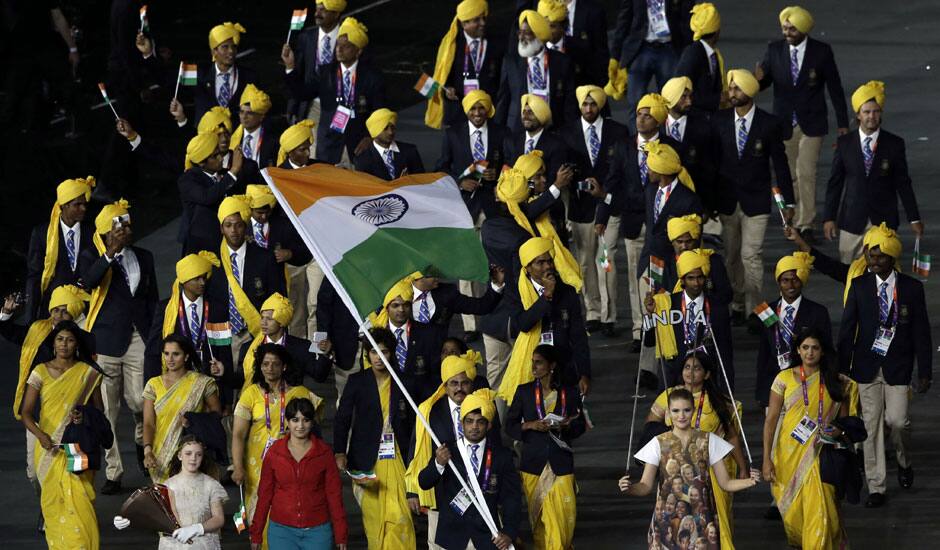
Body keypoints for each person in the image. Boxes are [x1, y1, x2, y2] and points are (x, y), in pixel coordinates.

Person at [837, 226, 931, 507]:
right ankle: (876, 486)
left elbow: (922, 333)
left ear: (891, 258)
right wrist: (843, 367)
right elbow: (847, 328)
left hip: (898, 367)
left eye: (880, 257)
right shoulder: (859, 286)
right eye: (870, 256)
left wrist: (924, 371)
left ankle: (904, 460)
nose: (874, 261)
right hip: (866, 367)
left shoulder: (911, 288)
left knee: (897, 422)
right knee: (871, 426)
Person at [80, 199, 159, 493]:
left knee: (141, 401)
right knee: (109, 412)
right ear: (106, 231)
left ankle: (142, 442)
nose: (126, 229)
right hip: (106, 343)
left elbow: (152, 299)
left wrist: (155, 335)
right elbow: (88, 282)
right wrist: (110, 252)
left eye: (127, 224)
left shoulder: (144, 255)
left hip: (139, 336)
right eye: (120, 225)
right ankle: (114, 471)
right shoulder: (91, 255)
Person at [756, 6, 850, 242]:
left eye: (792, 28)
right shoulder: (774, 50)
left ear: (803, 29)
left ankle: (806, 223)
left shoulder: (821, 52)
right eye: (785, 27)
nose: (787, 31)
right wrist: (755, 80)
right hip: (784, 122)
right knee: (788, 175)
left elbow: (835, 89)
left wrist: (842, 124)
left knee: (806, 171)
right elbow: (763, 81)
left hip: (812, 122)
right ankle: (793, 218)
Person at [622, 388, 758, 549]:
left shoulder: (709, 440)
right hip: (666, 523)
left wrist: (749, 482)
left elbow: (725, 483)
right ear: (668, 414)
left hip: (702, 522)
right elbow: (645, 486)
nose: (681, 415)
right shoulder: (658, 443)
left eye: (686, 410)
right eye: (675, 410)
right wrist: (630, 488)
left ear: (693, 411)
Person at [762, 330, 861, 547]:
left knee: (822, 514)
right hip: (788, 455)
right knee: (795, 517)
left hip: (823, 455)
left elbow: (846, 423)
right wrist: (766, 459)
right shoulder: (784, 379)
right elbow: (770, 421)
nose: (810, 352)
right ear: (798, 350)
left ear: (822, 351)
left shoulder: (837, 383)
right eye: (805, 347)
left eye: (815, 348)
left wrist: (839, 431)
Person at [711, 69, 794, 324]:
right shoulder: (719, 121)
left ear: (749, 91)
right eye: (731, 88)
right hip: (726, 202)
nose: (731, 93)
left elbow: (780, 165)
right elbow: (711, 166)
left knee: (751, 256)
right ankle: (737, 301)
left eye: (736, 88)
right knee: (732, 256)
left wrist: (787, 202)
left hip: (756, 202)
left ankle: (756, 311)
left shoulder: (768, 124)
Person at [599, 93, 677, 353]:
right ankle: (640, 329)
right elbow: (612, 181)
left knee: (662, 277)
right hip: (633, 222)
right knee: (637, 277)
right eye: (639, 115)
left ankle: (660, 325)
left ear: (658, 120)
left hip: (663, 225)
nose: (641, 120)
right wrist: (602, 216)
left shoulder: (670, 146)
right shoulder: (623, 146)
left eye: (647, 115)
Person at [20, 321, 106, 550]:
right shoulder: (40, 371)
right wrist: (40, 436)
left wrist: (84, 417)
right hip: (48, 447)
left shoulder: (87, 372)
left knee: (80, 500)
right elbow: (26, 412)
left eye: (69, 339)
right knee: (54, 503)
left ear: (76, 343)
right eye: (60, 339)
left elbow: (100, 412)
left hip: (76, 446)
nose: (64, 344)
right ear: (53, 343)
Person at [646, 351, 748, 543]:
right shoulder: (669, 395)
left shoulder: (718, 401)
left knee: (715, 524)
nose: (690, 372)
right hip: (678, 471)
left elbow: (732, 436)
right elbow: (651, 425)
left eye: (697, 368)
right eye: (686, 367)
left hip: (711, 471)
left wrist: (742, 467)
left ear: (707, 374)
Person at [333, 328, 417, 549]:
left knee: (400, 518)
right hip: (366, 458)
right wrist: (339, 451)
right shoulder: (357, 381)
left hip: (398, 456)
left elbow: (414, 423)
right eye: (374, 352)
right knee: (374, 521)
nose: (379, 358)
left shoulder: (404, 382)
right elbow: (342, 418)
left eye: (384, 352)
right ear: (367, 354)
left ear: (392, 353)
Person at [405, 350, 498, 548]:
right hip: (442, 497)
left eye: (464, 383)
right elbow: (417, 451)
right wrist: (412, 491)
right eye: (453, 384)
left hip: (479, 496)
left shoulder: (484, 408)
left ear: (471, 384)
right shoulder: (428, 411)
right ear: (445, 386)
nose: (459, 389)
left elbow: (495, 446)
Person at [822, 80, 923, 263]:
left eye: (876, 111)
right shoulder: (845, 144)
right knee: (850, 275)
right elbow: (835, 183)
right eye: (866, 112)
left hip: (884, 222)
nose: (871, 116)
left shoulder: (894, 144)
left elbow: (903, 183)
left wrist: (914, 218)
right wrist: (829, 217)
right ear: (858, 115)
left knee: (885, 275)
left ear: (881, 113)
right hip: (851, 221)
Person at [232, 343, 323, 534]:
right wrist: (238, 467)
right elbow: (238, 434)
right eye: (265, 364)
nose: (270, 369)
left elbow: (314, 430)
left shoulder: (300, 394)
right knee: (260, 513)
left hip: (292, 463)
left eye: (275, 364)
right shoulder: (250, 394)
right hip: (257, 465)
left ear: (284, 366)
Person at [561, 85, 628, 338]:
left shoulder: (618, 132)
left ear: (600, 105)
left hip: (608, 206)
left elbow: (621, 170)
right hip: (580, 208)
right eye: (584, 104)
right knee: (586, 263)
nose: (588, 109)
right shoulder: (567, 133)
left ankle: (609, 315)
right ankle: (592, 311)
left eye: (593, 104)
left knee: (606, 259)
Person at [419, 389, 521, 550]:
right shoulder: (447, 451)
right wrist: (438, 463)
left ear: (489, 425)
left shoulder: (502, 456)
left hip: (487, 537)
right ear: (462, 423)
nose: (474, 427)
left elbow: (512, 498)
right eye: (469, 421)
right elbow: (423, 482)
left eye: (480, 422)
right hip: (452, 537)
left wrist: (508, 532)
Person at [506, 344, 586, 550]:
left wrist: (567, 425)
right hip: (533, 464)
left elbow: (580, 426)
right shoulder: (524, 392)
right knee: (540, 524)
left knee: (562, 522)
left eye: (539, 362)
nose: (534, 366)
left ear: (552, 365)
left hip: (561, 464)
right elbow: (510, 425)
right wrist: (531, 425)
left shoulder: (569, 393)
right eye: (532, 362)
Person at [500, 229, 589, 405]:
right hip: (530, 368)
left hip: (562, 367)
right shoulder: (515, 291)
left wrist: (584, 373)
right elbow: (522, 324)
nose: (547, 266)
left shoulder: (567, 292)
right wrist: (546, 297)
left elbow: (578, 337)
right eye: (540, 263)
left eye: (549, 261)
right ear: (527, 268)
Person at [284, 16, 386, 165]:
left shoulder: (372, 77)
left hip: (358, 146)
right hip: (329, 145)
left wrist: (370, 137)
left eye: (346, 46)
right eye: (338, 44)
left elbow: (379, 112)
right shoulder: (326, 73)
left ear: (358, 51)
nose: (339, 49)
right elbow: (302, 93)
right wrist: (290, 67)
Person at [251, 398, 348, 550]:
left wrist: (341, 533)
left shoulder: (324, 453)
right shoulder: (274, 453)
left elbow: (334, 496)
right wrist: (256, 533)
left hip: (318, 531)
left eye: (306, 420)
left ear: (312, 422)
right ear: (288, 422)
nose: (300, 426)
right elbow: (264, 495)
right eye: (295, 420)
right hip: (282, 532)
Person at [144, 252, 231, 407]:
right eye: (197, 278)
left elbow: (224, 349)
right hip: (175, 383)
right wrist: (151, 391)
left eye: (204, 277)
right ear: (184, 281)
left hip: (208, 383)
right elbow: (153, 350)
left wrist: (226, 397)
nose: (202, 282)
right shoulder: (166, 309)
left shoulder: (217, 309)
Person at [209, 195, 287, 368]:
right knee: (225, 383)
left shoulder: (265, 258)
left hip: (256, 333)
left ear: (246, 226)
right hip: (222, 333)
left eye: (238, 224)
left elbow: (279, 299)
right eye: (228, 225)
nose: (234, 231)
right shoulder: (212, 261)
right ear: (221, 229)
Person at [115, 436, 228, 549]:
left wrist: (197, 529)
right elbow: (153, 515)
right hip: (172, 545)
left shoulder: (211, 485)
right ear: (179, 456)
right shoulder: (168, 486)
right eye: (188, 453)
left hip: (203, 545)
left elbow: (219, 519)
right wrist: (129, 519)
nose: (193, 458)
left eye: (198, 454)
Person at [645, 249, 733, 389]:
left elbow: (725, 355)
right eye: (691, 278)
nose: (696, 283)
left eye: (700, 277)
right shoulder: (666, 304)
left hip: (707, 381)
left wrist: (727, 393)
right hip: (673, 381)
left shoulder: (718, 307)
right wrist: (650, 315)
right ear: (682, 280)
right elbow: (649, 341)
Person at [142, 335, 222, 483]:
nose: (170, 359)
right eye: (166, 353)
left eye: (176, 354)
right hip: (160, 456)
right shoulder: (153, 385)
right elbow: (148, 423)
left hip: (192, 455)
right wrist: (147, 451)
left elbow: (217, 415)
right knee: (166, 503)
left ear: (186, 357)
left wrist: (193, 419)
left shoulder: (202, 383)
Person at [755, 253, 831, 407]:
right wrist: (761, 391)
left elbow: (827, 350)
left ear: (802, 281)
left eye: (795, 280)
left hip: (807, 384)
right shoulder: (766, 310)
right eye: (785, 281)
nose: (790, 285)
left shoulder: (818, 312)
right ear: (778, 282)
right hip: (774, 384)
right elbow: (763, 354)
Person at [244, 184, 314, 338]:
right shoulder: (241, 227)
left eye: (266, 212)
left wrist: (290, 253)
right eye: (259, 213)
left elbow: (306, 251)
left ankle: (296, 348)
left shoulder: (282, 225)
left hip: (281, 286)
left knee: (298, 316)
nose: (263, 216)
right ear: (250, 209)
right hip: (252, 289)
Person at [25, 176, 96, 322]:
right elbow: (35, 278)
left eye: (84, 204)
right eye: (77, 205)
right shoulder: (41, 234)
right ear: (64, 206)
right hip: (56, 311)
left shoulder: (92, 230)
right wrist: (30, 319)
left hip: (90, 307)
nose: (83, 208)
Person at [611, 0, 694, 121]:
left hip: (669, 48)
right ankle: (638, 139)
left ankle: (668, 138)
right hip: (640, 48)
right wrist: (615, 56)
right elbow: (624, 19)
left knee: (671, 101)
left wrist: (688, 52)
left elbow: (687, 18)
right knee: (636, 104)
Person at [425, 0, 503, 128]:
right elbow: (440, 78)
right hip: (458, 117)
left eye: (483, 18)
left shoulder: (497, 43)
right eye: (476, 20)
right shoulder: (451, 46)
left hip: (488, 115)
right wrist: (447, 92)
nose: (482, 23)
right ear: (464, 23)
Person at [496, 9, 577, 131]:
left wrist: (572, 134)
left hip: (553, 131)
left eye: (527, 33)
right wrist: (498, 133)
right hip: (519, 131)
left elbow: (569, 104)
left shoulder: (562, 62)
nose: (521, 37)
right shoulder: (511, 62)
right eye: (520, 32)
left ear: (539, 35)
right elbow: (503, 100)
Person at [368, 273, 444, 399]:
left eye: (406, 305)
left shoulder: (429, 333)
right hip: (386, 401)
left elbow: (435, 374)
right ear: (387, 308)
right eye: (395, 305)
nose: (401, 310)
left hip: (419, 403)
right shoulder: (375, 337)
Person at [637, 141, 703, 281]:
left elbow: (692, 242)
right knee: (651, 301)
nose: (647, 171)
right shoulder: (650, 191)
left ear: (661, 171)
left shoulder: (689, 200)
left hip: (673, 269)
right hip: (650, 263)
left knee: (668, 302)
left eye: (650, 167)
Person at [238, 293, 321, 391]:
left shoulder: (301, 347)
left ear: (282, 321)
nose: (263, 323)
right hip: (257, 404)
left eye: (269, 319)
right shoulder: (248, 348)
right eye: (262, 318)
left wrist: (326, 353)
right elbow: (240, 381)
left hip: (290, 403)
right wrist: (223, 373)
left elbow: (319, 376)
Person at [281, 0, 347, 124]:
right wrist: (292, 107)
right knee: (313, 143)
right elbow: (299, 74)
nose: (317, 14)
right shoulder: (306, 38)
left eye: (323, 10)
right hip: (312, 106)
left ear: (336, 13)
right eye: (317, 9)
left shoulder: (348, 40)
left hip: (341, 108)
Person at [178, 130, 242, 256]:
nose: (220, 158)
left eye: (219, 153)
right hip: (203, 248)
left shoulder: (224, 175)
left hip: (229, 243)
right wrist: (233, 171)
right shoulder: (188, 179)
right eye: (215, 156)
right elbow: (206, 197)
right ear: (201, 162)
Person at [660, 77, 717, 215]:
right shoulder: (656, 125)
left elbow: (710, 170)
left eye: (690, 96)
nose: (689, 101)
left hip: (694, 203)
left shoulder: (703, 127)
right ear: (671, 98)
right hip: (662, 204)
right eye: (683, 97)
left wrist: (708, 205)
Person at [193, 22, 258, 126]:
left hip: (237, 138)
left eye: (234, 47)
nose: (231, 51)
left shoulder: (249, 77)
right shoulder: (199, 75)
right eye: (225, 47)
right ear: (214, 51)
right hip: (207, 137)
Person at [502, 94, 566, 185]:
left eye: (531, 112)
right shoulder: (510, 141)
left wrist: (527, 189)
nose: (526, 116)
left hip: (544, 196)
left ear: (542, 115)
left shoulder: (556, 145)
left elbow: (552, 179)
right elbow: (506, 171)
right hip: (514, 197)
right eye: (524, 111)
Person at [674, 3, 726, 115]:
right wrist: (717, 99)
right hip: (693, 120)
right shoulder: (693, 54)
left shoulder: (711, 53)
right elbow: (680, 92)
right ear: (717, 31)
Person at [354, 109, 425, 180]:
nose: (390, 132)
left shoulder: (410, 151)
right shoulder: (362, 160)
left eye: (393, 127)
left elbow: (422, 181)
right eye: (385, 128)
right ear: (374, 132)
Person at [230, 84, 279, 187]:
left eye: (249, 113)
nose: (244, 117)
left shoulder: (273, 141)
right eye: (241, 112)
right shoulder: (232, 137)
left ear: (261, 116)